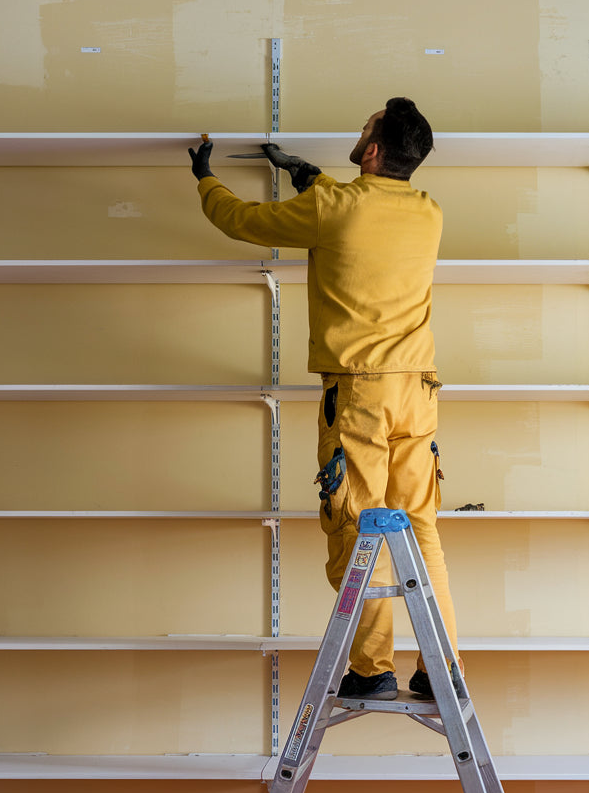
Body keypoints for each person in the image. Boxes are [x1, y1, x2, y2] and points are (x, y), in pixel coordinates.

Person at [189, 98, 459, 701]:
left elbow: (242, 220)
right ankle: (442, 670)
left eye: (365, 127)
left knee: (359, 525)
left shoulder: (332, 209)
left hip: (359, 391)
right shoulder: (428, 212)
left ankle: (371, 670)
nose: (359, 128)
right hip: (419, 390)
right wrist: (308, 175)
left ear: (372, 150)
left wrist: (204, 178)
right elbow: (358, 212)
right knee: (422, 529)